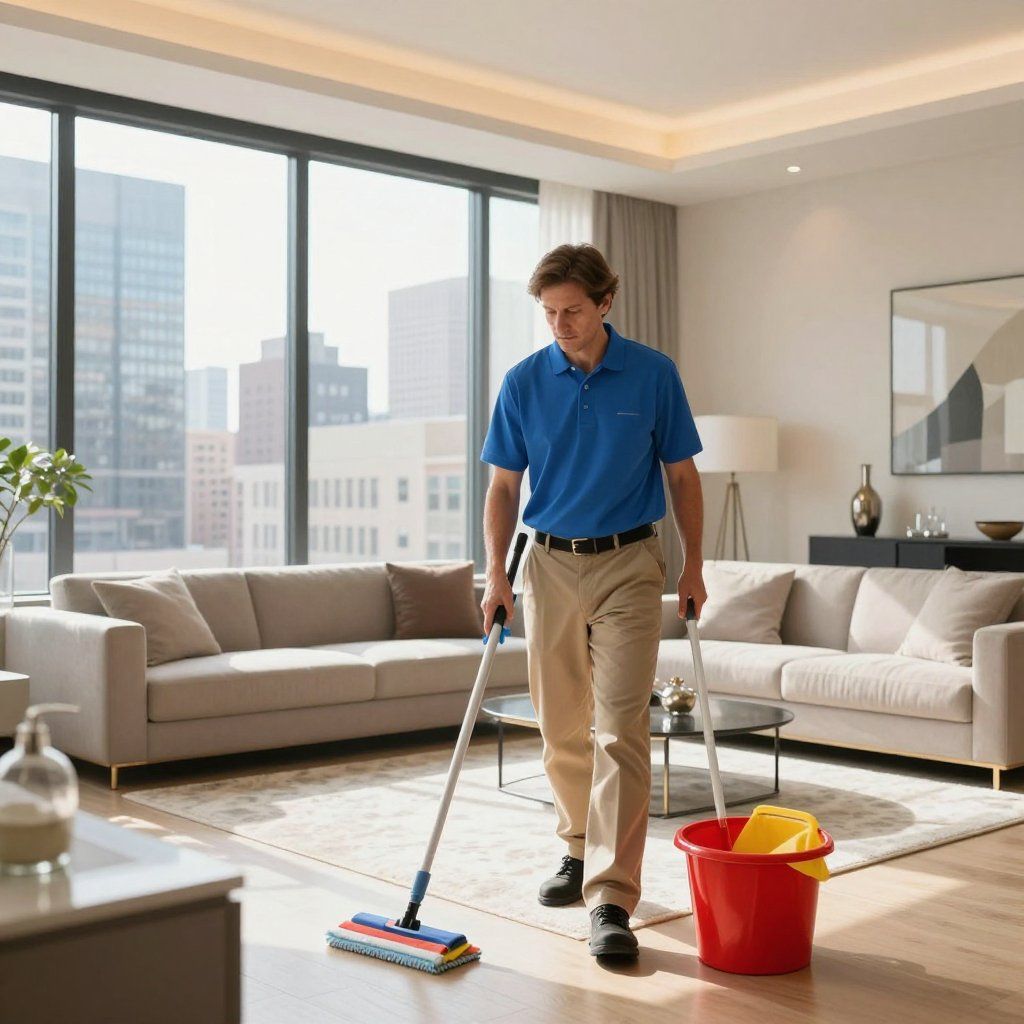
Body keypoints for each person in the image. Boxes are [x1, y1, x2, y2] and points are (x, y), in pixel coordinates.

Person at [479, 243, 706, 960]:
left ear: (606, 303)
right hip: (546, 565)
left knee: (620, 730)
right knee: (561, 727)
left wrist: (694, 566)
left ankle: (611, 896)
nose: (561, 325)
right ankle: (577, 848)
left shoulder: (652, 373)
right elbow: (503, 487)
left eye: (573, 310)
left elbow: (683, 476)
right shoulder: (523, 382)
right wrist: (495, 574)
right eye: (549, 313)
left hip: (630, 564)